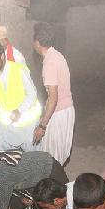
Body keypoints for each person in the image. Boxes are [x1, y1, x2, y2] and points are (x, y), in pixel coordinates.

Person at [0, 40, 41, 152]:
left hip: (27, 118)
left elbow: (32, 94)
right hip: (7, 119)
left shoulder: (18, 70)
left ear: (2, 56)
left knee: (33, 156)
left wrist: (19, 110)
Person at [32, 22, 74, 166]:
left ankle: (55, 185)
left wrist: (42, 126)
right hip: (65, 110)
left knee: (51, 158)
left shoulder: (49, 63)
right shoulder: (57, 55)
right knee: (56, 155)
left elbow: (53, 97)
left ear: (37, 42)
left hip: (59, 112)